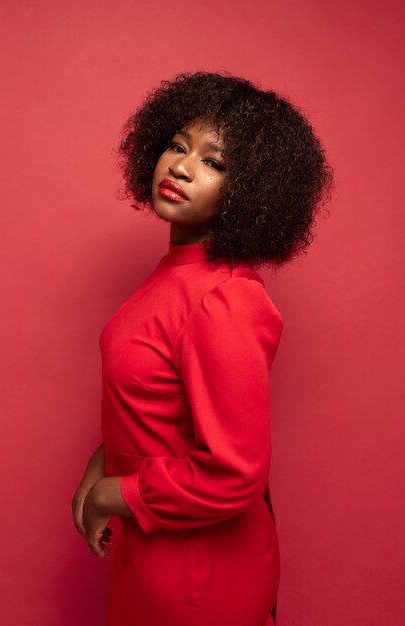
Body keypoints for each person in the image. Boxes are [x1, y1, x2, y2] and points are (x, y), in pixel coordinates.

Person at [71, 70, 334, 626]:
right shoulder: (172, 275)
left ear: (252, 190)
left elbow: (233, 474)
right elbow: (149, 400)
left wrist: (108, 496)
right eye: (177, 145)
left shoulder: (226, 297)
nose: (182, 167)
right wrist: (97, 471)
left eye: (214, 162)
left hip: (200, 575)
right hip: (151, 551)